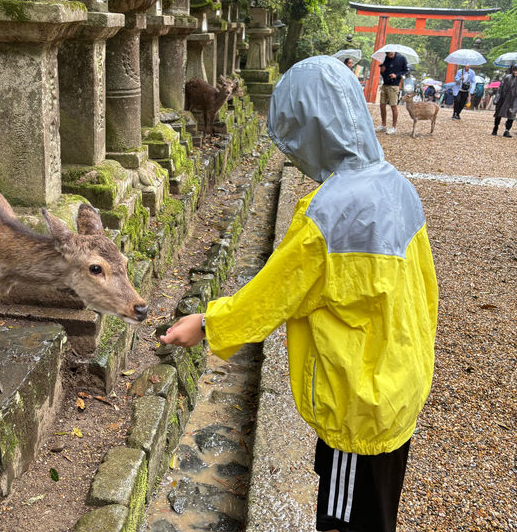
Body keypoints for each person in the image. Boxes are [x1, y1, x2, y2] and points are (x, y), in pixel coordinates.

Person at [161, 56, 438, 532]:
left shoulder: (327, 211)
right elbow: (427, 292)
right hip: (399, 382)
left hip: (359, 403)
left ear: (312, 131)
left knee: (344, 521)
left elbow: (274, 293)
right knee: (376, 510)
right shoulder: (398, 188)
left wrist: (208, 323)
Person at [375, 51, 408, 135]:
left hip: (394, 85)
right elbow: (384, 73)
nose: (390, 55)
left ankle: (394, 127)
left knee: (393, 106)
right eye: (388, 54)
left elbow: (405, 70)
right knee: (382, 105)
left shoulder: (401, 58)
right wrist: (382, 71)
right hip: (385, 84)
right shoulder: (386, 58)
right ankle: (383, 125)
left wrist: (396, 75)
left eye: (391, 54)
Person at [491, 64, 517, 137]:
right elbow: (500, 88)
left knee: (511, 115)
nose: (516, 72)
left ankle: (507, 130)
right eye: (515, 70)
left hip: (514, 100)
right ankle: (495, 127)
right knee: (498, 114)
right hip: (504, 98)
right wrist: (497, 98)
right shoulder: (507, 77)